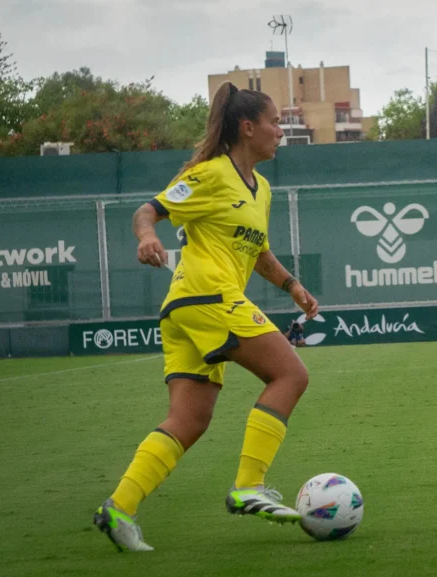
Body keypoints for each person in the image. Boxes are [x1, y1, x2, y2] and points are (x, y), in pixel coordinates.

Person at [92, 82, 319, 552]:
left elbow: (258, 251)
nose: (281, 131)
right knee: (291, 375)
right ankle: (249, 486)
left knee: (189, 419)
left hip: (188, 308)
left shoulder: (262, 189)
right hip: (206, 297)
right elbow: (147, 211)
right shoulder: (210, 175)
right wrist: (146, 237)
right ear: (247, 127)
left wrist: (292, 286)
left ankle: (119, 507)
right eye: (275, 122)